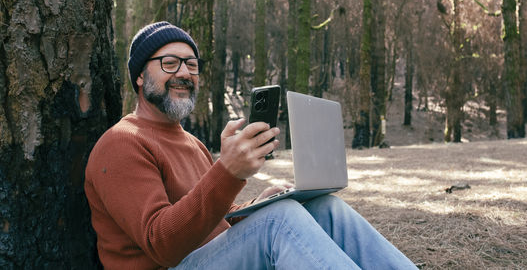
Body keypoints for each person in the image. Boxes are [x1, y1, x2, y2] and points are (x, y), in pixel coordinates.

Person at [85, 21, 417, 270]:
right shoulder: (121, 144)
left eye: (192, 65)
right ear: (140, 76)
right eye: (169, 63)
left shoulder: (190, 143)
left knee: (322, 208)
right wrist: (227, 172)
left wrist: (258, 203)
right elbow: (163, 244)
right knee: (280, 221)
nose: (184, 73)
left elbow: (211, 220)